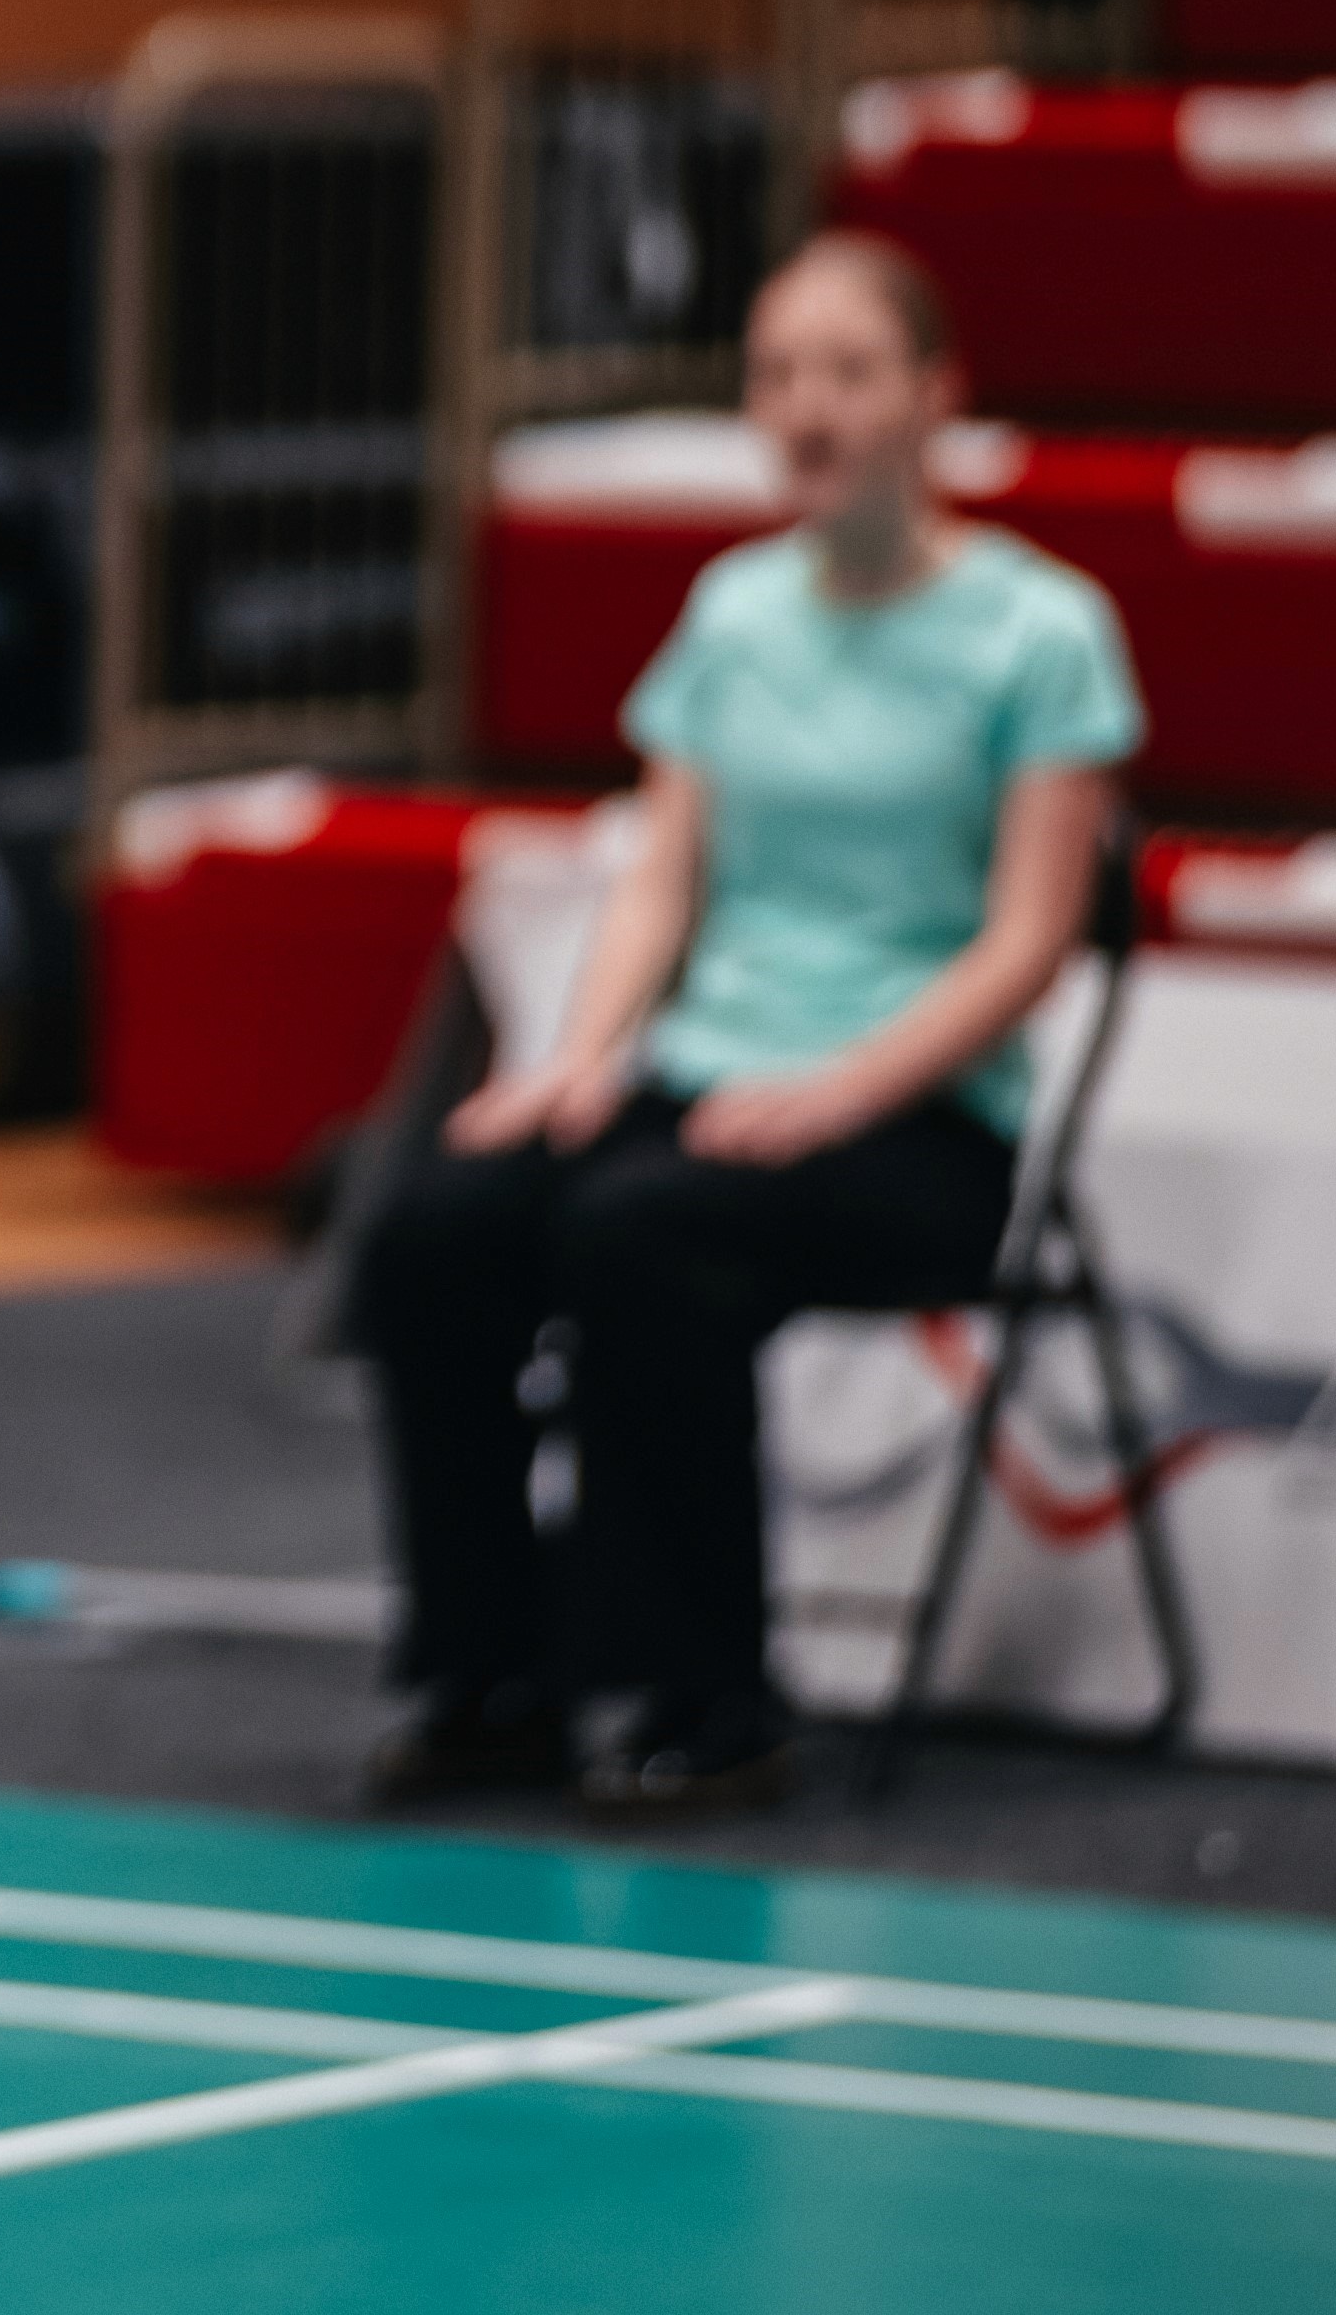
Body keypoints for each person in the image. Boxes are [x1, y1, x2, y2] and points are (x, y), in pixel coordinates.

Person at [351, 230, 1140, 1816]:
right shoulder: (733, 612)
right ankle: (492, 1676)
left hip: (921, 1126)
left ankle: (711, 1696)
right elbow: (661, 883)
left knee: (642, 1233)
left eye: (847, 372)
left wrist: (842, 1091)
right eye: (777, 374)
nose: (807, 408)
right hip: (707, 1086)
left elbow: (1029, 944)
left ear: (935, 396)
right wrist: (575, 1062)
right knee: (436, 1228)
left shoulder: (1043, 631)